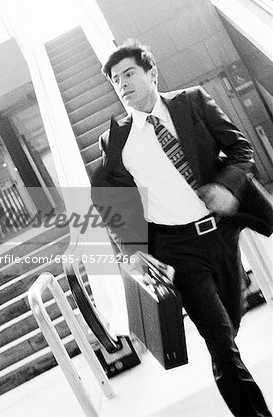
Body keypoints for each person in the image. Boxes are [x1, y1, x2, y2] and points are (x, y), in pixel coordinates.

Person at [91, 40, 273, 416]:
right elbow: (112, 202)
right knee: (221, 344)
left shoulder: (192, 102)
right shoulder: (115, 141)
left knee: (230, 327)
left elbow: (240, 148)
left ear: (151, 73)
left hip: (222, 235)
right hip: (176, 248)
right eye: (115, 80)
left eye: (129, 74)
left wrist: (226, 185)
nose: (122, 84)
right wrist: (132, 251)